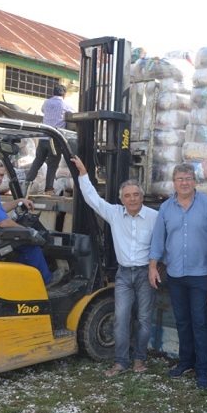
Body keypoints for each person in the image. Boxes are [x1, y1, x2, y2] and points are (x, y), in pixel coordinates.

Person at [72, 155, 158, 378]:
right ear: (121, 199)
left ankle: (139, 359)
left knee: (145, 319)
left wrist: (157, 266)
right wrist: (83, 173)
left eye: (136, 195)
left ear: (142, 197)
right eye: (127, 196)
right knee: (121, 318)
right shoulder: (114, 214)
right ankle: (121, 361)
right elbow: (92, 199)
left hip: (144, 273)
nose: (132, 199)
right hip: (123, 274)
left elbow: (164, 244)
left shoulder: (154, 217)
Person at [149, 163, 207, 389]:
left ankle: (203, 370)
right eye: (180, 179)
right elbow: (158, 240)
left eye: (188, 178)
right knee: (182, 321)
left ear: (195, 182)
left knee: (200, 323)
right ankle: (185, 363)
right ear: (174, 182)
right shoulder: (166, 208)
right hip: (175, 274)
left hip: (201, 274)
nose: (184, 183)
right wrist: (153, 266)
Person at [0, 158, 63, 288]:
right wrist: (30, 232)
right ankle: (46, 280)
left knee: (19, 239)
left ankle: (25, 278)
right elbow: (4, 223)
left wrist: (19, 201)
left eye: (1, 175)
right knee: (29, 243)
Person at [24, 84, 76, 195]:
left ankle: (27, 182)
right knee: (52, 164)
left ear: (53, 93)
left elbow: (42, 110)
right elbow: (74, 115)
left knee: (38, 161)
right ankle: (49, 189)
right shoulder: (65, 105)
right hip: (54, 139)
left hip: (43, 137)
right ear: (64, 95)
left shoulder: (46, 103)